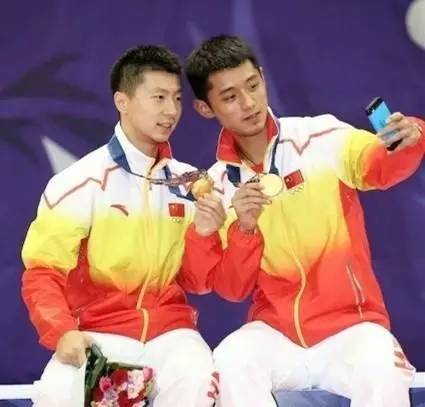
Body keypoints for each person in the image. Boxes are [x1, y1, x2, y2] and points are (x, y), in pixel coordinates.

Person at [183, 34, 425, 407]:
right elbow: (232, 289)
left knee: (383, 370)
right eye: (230, 97)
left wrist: (410, 138)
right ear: (205, 108)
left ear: (263, 77)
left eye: (253, 85)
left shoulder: (321, 137)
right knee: (229, 361)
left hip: (352, 327)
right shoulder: (217, 186)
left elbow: (379, 166)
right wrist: (244, 228)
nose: (249, 103)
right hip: (277, 333)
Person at [21, 44, 218, 407]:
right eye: (158, 97)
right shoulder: (80, 182)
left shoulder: (189, 183)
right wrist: (61, 331)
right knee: (54, 396)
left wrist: (205, 234)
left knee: (200, 380)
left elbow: (197, 281)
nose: (171, 110)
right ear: (122, 101)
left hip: (172, 334)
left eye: (176, 98)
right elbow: (43, 273)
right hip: (99, 331)